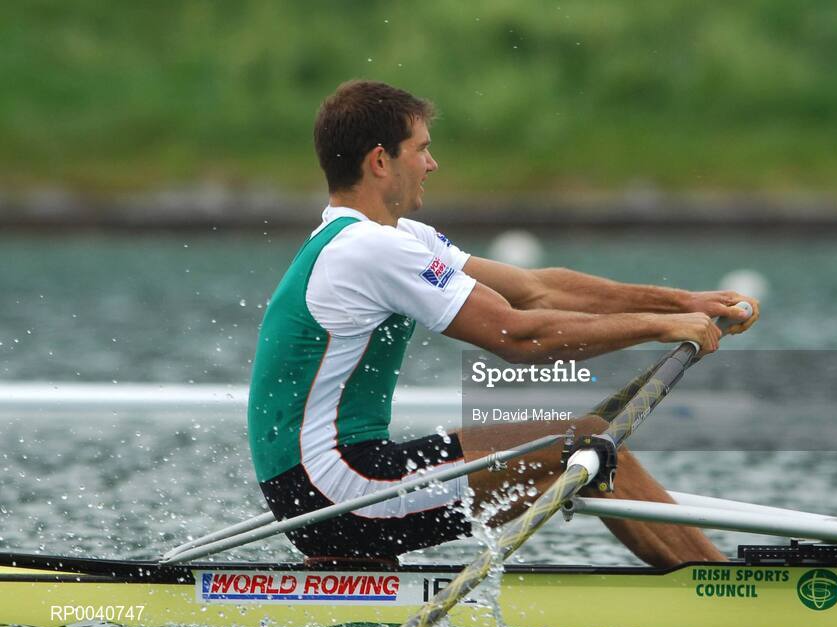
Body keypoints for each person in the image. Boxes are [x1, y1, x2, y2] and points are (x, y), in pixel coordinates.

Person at [247, 80, 759, 568]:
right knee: (585, 442)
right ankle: (721, 586)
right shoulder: (371, 248)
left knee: (577, 447)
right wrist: (658, 328)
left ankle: (353, 564)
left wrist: (682, 303)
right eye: (421, 149)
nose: (433, 163)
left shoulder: (386, 237)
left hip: (317, 489)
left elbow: (536, 288)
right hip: (335, 493)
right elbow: (518, 335)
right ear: (381, 161)